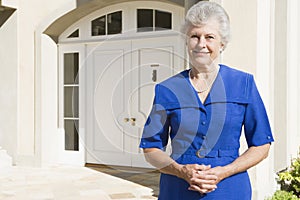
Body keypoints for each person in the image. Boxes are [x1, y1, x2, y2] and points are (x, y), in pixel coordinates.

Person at [139, 1, 274, 200]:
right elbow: (151, 148)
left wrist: (225, 171)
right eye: (195, 36)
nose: (201, 44)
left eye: (209, 37)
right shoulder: (167, 89)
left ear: (222, 43)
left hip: (229, 188)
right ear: (187, 41)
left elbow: (262, 145)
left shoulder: (243, 83)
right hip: (177, 189)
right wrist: (180, 170)